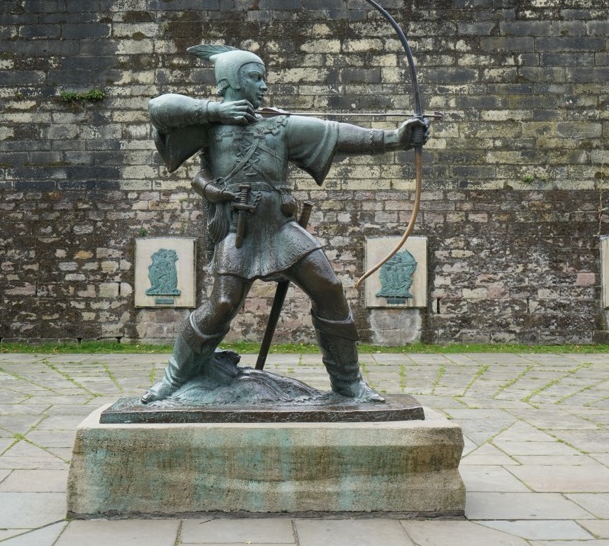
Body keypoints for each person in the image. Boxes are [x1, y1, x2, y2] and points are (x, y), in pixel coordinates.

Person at [142, 45, 429, 404]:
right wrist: (215, 111)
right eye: (255, 77)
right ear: (231, 81)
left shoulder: (280, 124)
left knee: (328, 287)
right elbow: (158, 108)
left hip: (280, 228)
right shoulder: (209, 125)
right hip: (238, 231)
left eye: (263, 78)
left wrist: (396, 138)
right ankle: (173, 380)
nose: (263, 85)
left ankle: (348, 384)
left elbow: (339, 134)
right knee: (223, 304)